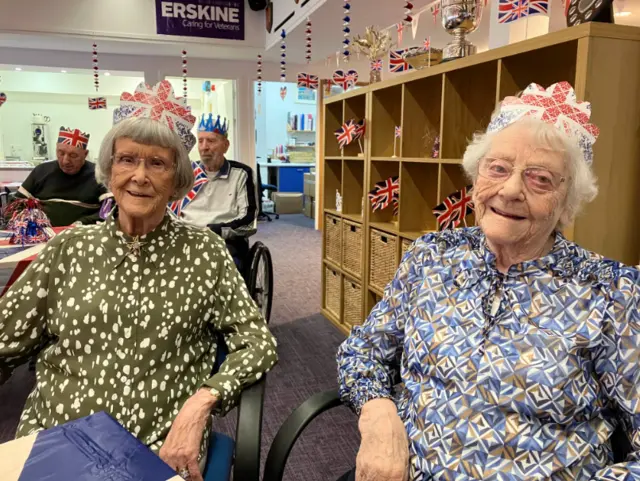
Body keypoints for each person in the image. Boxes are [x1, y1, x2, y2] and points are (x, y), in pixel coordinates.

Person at [336, 81, 640, 481]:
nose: (510, 190)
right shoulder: (432, 256)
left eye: (540, 179)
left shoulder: (612, 292)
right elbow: (362, 350)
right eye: (498, 168)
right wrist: (378, 415)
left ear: (569, 203)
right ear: (476, 177)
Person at [0, 80, 277, 481]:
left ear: (177, 177)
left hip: (160, 449)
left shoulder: (204, 252)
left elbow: (257, 342)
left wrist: (203, 401)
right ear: (109, 170)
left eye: (157, 163)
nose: (140, 176)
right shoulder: (70, 248)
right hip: (57, 441)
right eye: (127, 160)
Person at [170, 113, 258, 270]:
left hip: (222, 240)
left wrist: (218, 230)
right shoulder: (187, 172)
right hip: (186, 237)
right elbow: (171, 208)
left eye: (211, 140)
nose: (204, 147)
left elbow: (249, 219)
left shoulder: (241, 174)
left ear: (226, 145)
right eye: (201, 141)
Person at [16, 127, 108, 226]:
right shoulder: (41, 171)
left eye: (73, 155)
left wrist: (82, 223)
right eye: (61, 153)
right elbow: (16, 204)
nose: (65, 161)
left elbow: (110, 210)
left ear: (85, 154)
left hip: (83, 234)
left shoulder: (99, 174)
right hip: (42, 233)